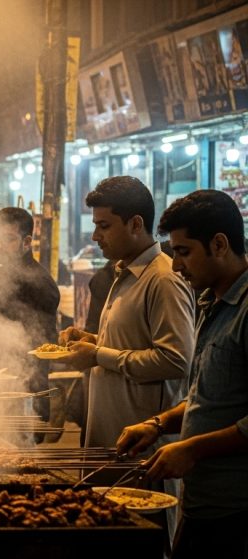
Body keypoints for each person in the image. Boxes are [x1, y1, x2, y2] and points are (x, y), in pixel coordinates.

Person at [115, 190, 248, 558]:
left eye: (184, 252)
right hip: (200, 504)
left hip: (237, 514)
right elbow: (206, 396)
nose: (175, 266)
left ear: (219, 244)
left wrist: (191, 448)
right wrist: (158, 424)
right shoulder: (210, 303)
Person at [57, 176, 195, 449]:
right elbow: (131, 345)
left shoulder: (162, 279)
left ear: (135, 224)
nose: (96, 236)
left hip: (140, 451)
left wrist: (98, 355)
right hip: (109, 439)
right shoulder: (124, 273)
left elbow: (177, 360)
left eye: (104, 226)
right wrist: (92, 342)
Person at [0, 207, 60, 419]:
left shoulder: (39, 283)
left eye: (8, 239)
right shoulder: (2, 275)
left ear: (26, 242)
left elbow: (37, 347)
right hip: (0, 386)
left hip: (25, 394)